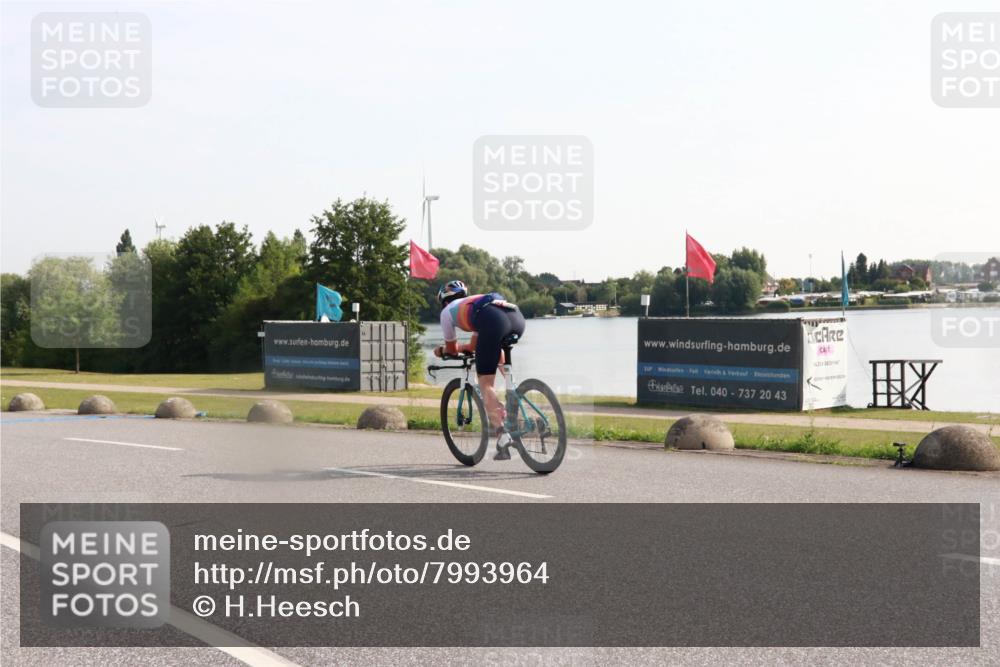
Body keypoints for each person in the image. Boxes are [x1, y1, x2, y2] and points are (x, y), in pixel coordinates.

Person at [433, 280, 525, 439]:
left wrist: (441, 350)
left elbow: (452, 350)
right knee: (495, 345)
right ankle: (514, 391)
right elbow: (474, 345)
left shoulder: (447, 312)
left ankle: (503, 438)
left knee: (485, 384)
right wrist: (463, 348)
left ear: (444, 301)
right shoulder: (474, 303)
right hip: (516, 318)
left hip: (493, 322)